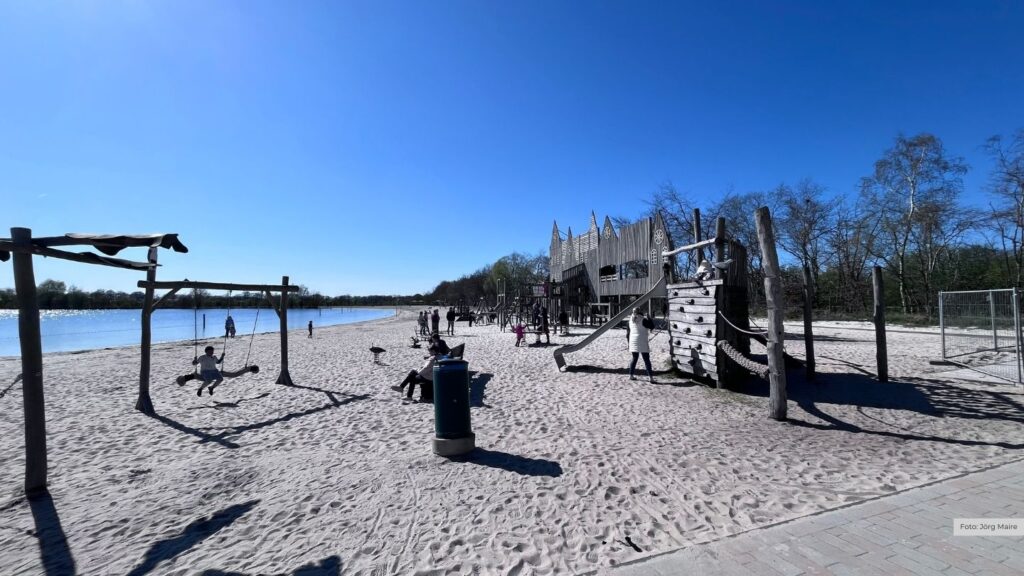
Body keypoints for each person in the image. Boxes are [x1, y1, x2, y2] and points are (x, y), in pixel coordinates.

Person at [626, 308, 655, 383]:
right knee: (646, 359)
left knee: (634, 358)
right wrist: (649, 318)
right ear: (640, 312)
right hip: (642, 340)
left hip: (633, 341)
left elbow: (627, 333)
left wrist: (628, 343)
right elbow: (652, 326)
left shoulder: (630, 320)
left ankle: (631, 375)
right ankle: (651, 377)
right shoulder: (643, 319)